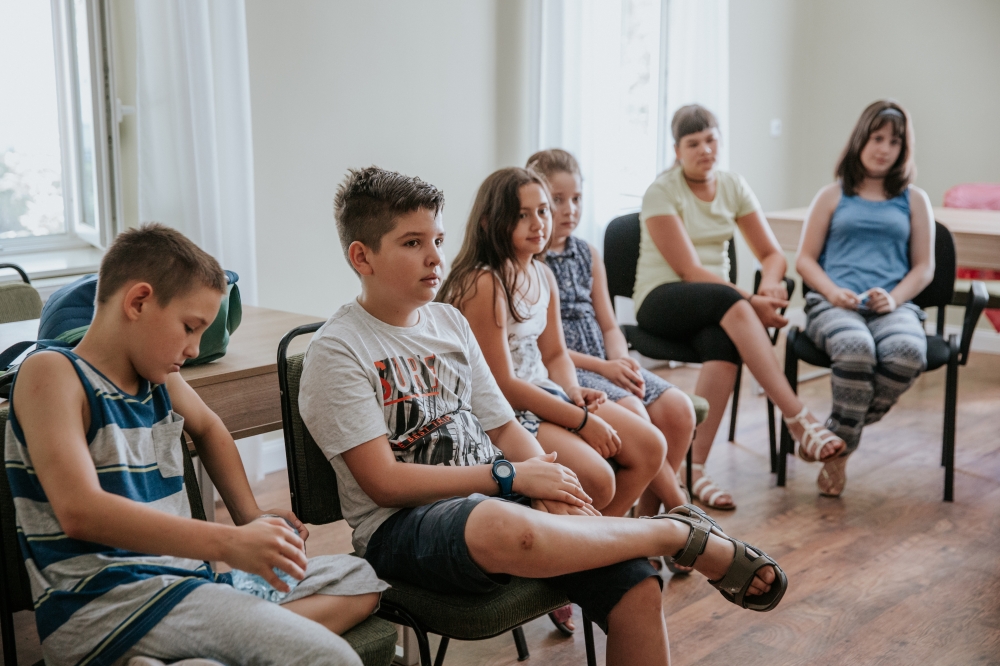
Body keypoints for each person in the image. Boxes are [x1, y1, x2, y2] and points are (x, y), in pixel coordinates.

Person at [299, 166, 786, 665]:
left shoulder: (448, 322)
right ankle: (676, 533)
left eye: (438, 240)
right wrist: (510, 477)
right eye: (412, 243)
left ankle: (670, 534)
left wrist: (549, 482)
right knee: (503, 523)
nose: (435, 257)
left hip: (495, 496)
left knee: (637, 586)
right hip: (401, 527)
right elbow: (384, 483)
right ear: (362, 257)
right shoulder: (339, 350)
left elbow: (504, 425)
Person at [5, 225, 386, 666]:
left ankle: (188, 654)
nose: (194, 348)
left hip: (189, 588)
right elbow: (79, 511)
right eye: (190, 327)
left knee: (358, 579)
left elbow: (209, 428)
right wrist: (230, 543)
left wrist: (250, 518)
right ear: (138, 302)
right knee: (334, 659)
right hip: (109, 608)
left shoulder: (160, 378)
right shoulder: (51, 373)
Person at [634, 104, 845, 510]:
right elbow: (689, 270)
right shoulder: (662, 191)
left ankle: (692, 468)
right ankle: (798, 418)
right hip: (661, 299)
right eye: (693, 143)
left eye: (711, 140)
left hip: (715, 305)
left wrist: (769, 284)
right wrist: (750, 301)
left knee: (723, 343)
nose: (705, 150)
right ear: (677, 151)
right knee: (731, 302)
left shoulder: (733, 185)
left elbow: (772, 254)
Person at [438, 167, 669, 521]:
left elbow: (556, 354)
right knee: (599, 480)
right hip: (505, 411)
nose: (538, 224)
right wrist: (581, 420)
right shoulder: (485, 282)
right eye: (522, 215)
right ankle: (594, 543)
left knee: (651, 446)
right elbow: (504, 386)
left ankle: (600, 542)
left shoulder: (543, 274)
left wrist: (573, 392)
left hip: (544, 391)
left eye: (543, 211)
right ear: (489, 222)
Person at [527, 149, 695, 519]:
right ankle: (680, 510)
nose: (570, 209)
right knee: (634, 409)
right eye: (557, 200)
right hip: (572, 370)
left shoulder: (587, 254)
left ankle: (652, 519)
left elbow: (608, 324)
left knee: (679, 410)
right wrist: (603, 368)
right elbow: (545, 350)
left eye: (576, 199)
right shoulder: (532, 260)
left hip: (606, 362)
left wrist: (621, 361)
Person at [795, 100, 934, 497]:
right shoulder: (832, 195)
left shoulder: (914, 200)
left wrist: (894, 298)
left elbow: (924, 267)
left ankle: (835, 438)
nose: (884, 148)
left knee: (908, 353)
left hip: (892, 307)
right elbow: (804, 259)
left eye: (894, 141)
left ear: (903, 149)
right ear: (861, 139)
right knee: (856, 348)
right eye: (877, 138)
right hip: (834, 305)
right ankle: (837, 451)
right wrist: (831, 291)